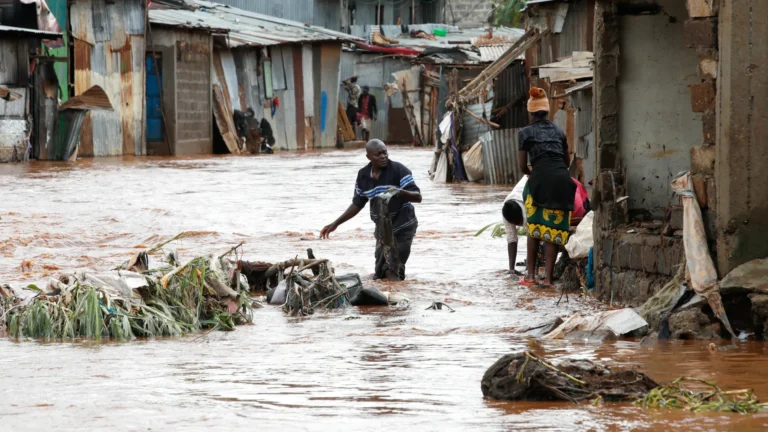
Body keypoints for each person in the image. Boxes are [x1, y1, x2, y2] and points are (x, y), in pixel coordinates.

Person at [320, 139, 421, 280]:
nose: (383, 156)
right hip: (382, 230)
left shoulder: (399, 170)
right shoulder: (363, 176)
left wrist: (401, 192)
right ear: (368, 157)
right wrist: (335, 223)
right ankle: (384, 295)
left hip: (403, 225)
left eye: (385, 152)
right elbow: (357, 203)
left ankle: (396, 297)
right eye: (378, 154)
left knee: (394, 268)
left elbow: (418, 196)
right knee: (379, 274)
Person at [518, 87, 576, 287]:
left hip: (539, 180)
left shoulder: (525, 133)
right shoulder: (558, 131)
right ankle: (549, 280)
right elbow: (567, 161)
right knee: (552, 232)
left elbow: (521, 166)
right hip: (562, 180)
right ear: (546, 110)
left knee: (534, 229)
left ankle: (531, 277)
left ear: (531, 111)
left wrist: (534, 172)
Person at [503, 175, 589, 277]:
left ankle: (541, 271)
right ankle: (537, 269)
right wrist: (511, 269)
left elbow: (534, 237)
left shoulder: (528, 207)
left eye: (520, 222)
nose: (520, 225)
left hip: (549, 185)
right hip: (544, 186)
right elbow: (511, 239)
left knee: (546, 234)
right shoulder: (506, 212)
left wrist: (529, 269)